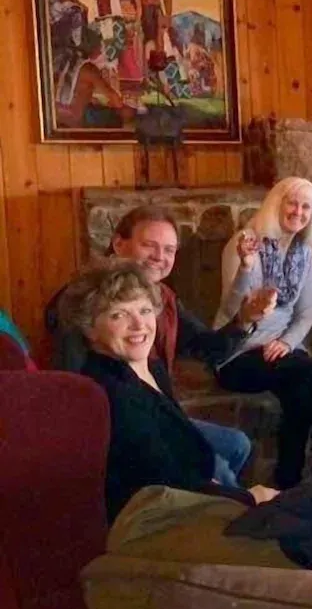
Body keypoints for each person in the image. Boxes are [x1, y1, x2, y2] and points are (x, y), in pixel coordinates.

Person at [45, 205, 271, 487]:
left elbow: (206, 348)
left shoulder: (163, 298)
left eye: (169, 249)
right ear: (118, 243)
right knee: (218, 467)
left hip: (157, 411)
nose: (159, 257)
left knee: (236, 444)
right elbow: (77, 391)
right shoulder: (84, 303)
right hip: (118, 427)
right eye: (149, 245)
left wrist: (244, 320)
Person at [58, 261, 277, 523]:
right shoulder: (110, 393)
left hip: (183, 502)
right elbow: (165, 481)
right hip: (152, 524)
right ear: (89, 328)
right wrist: (245, 499)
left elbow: (179, 453)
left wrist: (223, 488)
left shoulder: (152, 369)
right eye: (118, 315)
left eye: (145, 310)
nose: (139, 324)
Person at [215, 177, 312, 489]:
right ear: (276, 203)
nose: (298, 212)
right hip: (237, 353)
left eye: (307, 207)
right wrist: (247, 267)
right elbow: (229, 310)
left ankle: (287, 483)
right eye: (292, 203)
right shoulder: (245, 243)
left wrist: (286, 342)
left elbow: (305, 314)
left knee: (301, 391)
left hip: (283, 353)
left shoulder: (303, 254)